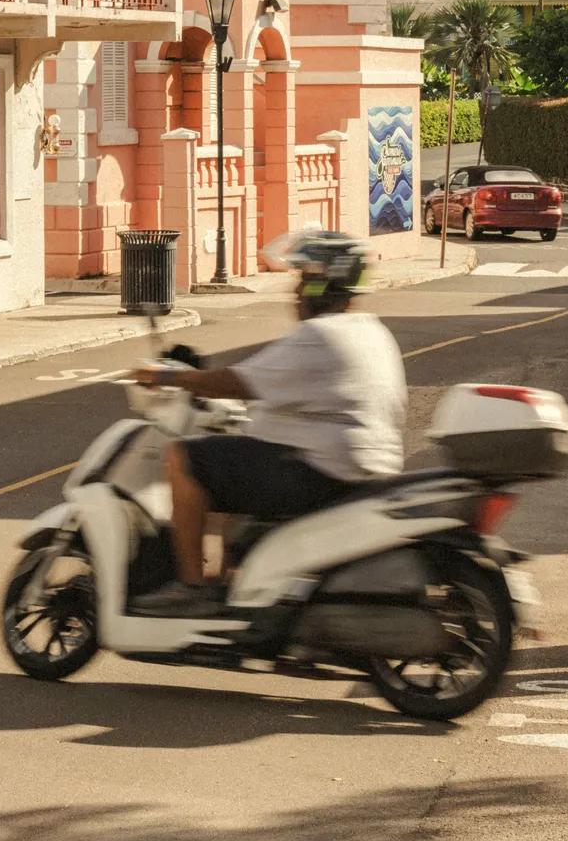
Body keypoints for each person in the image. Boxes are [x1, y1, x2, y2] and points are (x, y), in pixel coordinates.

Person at [131, 231, 407, 616]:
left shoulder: (319, 335)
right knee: (235, 462)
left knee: (184, 459)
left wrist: (170, 378)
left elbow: (241, 382)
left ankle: (190, 587)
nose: (295, 291)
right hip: (366, 465)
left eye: (302, 279)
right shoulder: (373, 331)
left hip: (319, 469)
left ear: (320, 282)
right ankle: (233, 576)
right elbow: (298, 393)